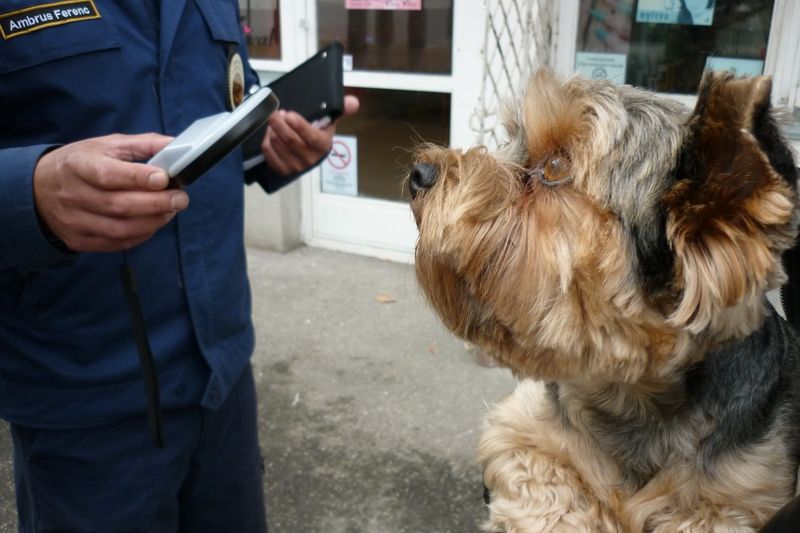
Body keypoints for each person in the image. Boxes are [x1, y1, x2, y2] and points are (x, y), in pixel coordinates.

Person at [0, 1, 357, 531]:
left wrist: (272, 145)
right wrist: (27, 191)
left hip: (222, 378)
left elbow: (231, 102)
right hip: (86, 407)